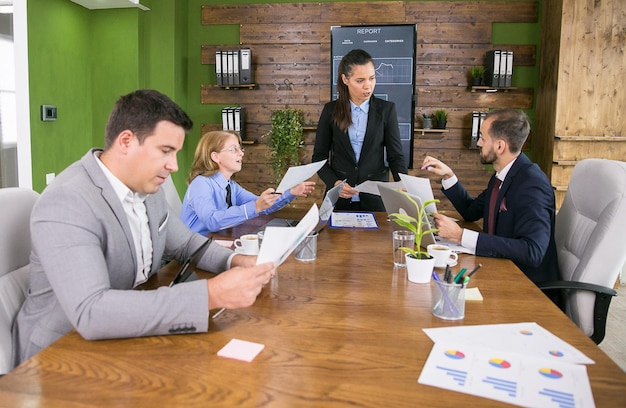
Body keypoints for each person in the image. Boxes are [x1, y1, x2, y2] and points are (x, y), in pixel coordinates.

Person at [12, 90, 275, 366]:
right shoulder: (68, 200)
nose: (173, 166)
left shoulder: (147, 188)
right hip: (56, 355)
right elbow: (91, 312)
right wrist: (211, 294)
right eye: (165, 151)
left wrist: (238, 261)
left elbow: (188, 244)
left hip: (123, 331)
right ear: (126, 141)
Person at [422, 109, 559, 285]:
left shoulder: (532, 184)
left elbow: (532, 251)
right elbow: (471, 211)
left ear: (500, 146)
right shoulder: (502, 175)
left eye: (482, 138)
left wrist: (460, 235)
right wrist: (448, 176)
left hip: (525, 286)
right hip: (497, 270)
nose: (478, 142)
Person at [312, 49, 407, 212]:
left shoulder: (386, 110)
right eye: (360, 80)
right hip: (339, 199)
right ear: (345, 79)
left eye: (372, 78)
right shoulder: (330, 111)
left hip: (376, 199)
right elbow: (318, 158)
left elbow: (395, 156)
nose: (368, 86)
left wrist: (403, 184)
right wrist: (335, 184)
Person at [180, 130, 316, 235]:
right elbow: (212, 221)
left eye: (241, 149)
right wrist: (256, 206)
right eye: (234, 149)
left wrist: (291, 192)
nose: (241, 154)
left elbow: (264, 206)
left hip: (217, 242)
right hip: (192, 252)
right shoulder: (201, 184)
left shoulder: (231, 186)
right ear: (215, 156)